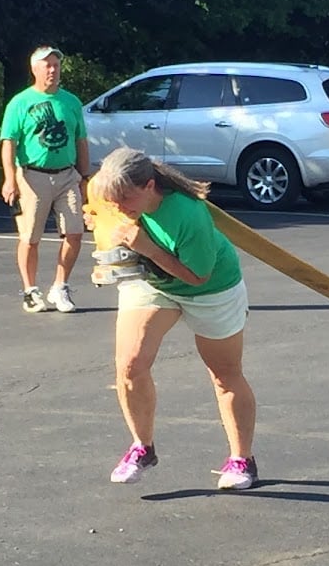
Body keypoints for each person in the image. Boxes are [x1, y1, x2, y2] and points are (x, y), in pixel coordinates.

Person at [85, 147, 258, 490]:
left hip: (210, 287)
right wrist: (103, 237)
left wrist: (147, 248)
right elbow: (102, 216)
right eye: (112, 201)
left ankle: (242, 460)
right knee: (130, 365)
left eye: (125, 199)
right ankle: (142, 447)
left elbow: (198, 276)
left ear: (150, 186)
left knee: (224, 375)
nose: (118, 207)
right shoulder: (113, 197)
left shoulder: (187, 213)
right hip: (152, 284)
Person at [0, 45, 92, 313]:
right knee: (30, 237)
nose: (52, 70)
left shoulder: (71, 102)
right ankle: (30, 290)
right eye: (47, 65)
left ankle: (60, 286)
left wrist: (84, 177)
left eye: (56, 65)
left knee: (75, 232)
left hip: (67, 175)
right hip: (32, 175)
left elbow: (81, 140)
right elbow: (9, 143)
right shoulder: (20, 102)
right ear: (35, 69)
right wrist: (9, 179)